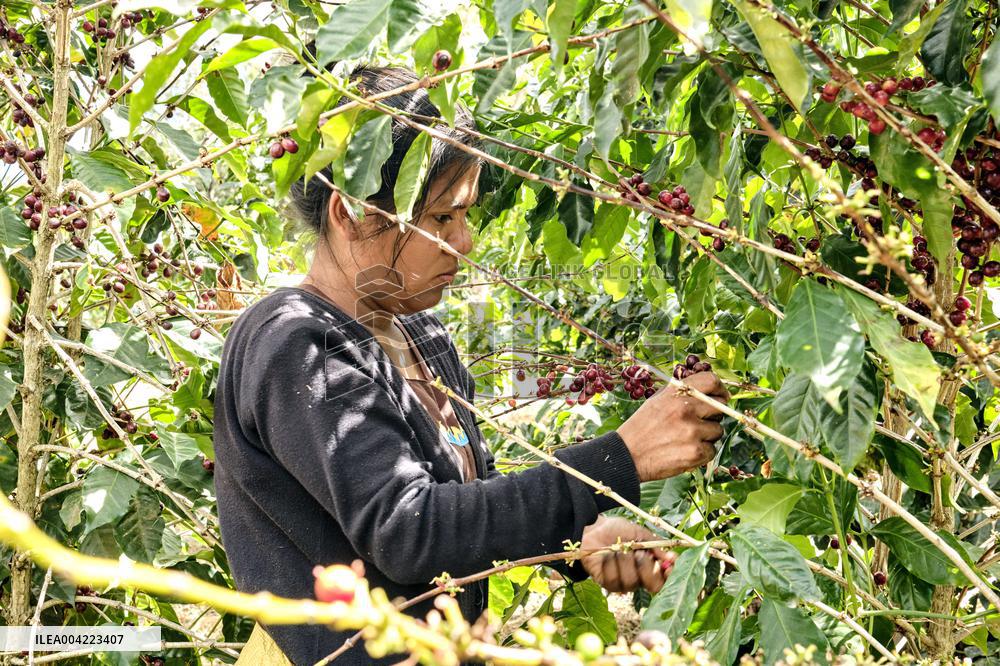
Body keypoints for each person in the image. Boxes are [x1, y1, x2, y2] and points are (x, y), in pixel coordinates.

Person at [213, 65, 730, 665]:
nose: (465, 242)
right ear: (349, 212)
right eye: (439, 219)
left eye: (466, 216)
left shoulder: (422, 334)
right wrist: (617, 460)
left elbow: (461, 510)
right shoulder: (296, 344)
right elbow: (408, 531)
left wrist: (574, 543)